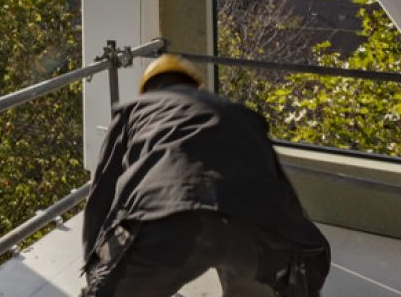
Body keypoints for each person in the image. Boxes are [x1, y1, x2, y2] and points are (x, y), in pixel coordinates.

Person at [81, 54, 331, 296]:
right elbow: (278, 191)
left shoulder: (135, 110)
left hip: (166, 222)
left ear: (148, 90)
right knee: (254, 282)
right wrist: (306, 262)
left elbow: (103, 189)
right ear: (196, 86)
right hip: (256, 233)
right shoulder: (239, 114)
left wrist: (96, 268)